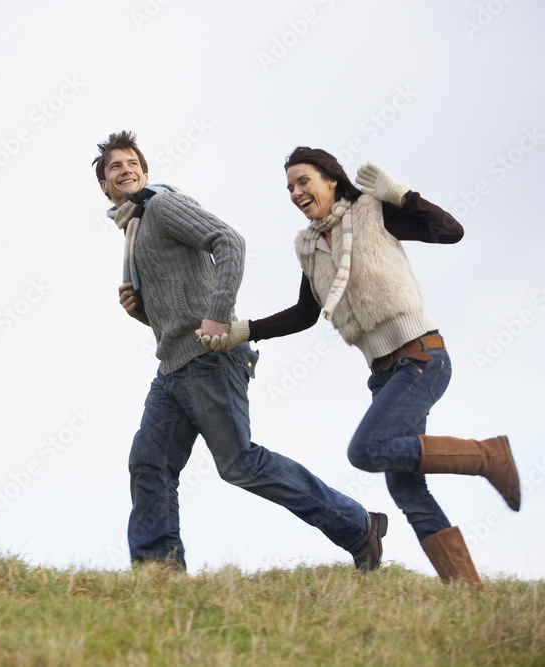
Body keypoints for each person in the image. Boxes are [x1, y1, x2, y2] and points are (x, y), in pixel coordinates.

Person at [209, 146, 520, 587]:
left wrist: (403, 195)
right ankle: (468, 591)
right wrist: (243, 332)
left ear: (330, 180)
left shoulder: (373, 213)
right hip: (385, 373)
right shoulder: (310, 245)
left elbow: (451, 232)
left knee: (365, 451)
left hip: (422, 357)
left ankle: (488, 455)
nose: (297, 192)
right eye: (290, 187)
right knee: (406, 487)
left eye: (304, 181)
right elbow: (304, 313)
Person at [92, 131, 386, 573]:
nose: (126, 170)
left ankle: (359, 526)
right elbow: (173, 311)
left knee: (240, 464)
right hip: (173, 367)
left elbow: (229, 241)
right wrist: (140, 311)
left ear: (145, 172)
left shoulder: (164, 206)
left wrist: (217, 315)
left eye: (132, 163)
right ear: (105, 186)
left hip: (211, 358)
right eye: (116, 167)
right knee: (148, 461)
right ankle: (158, 573)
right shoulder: (134, 231)